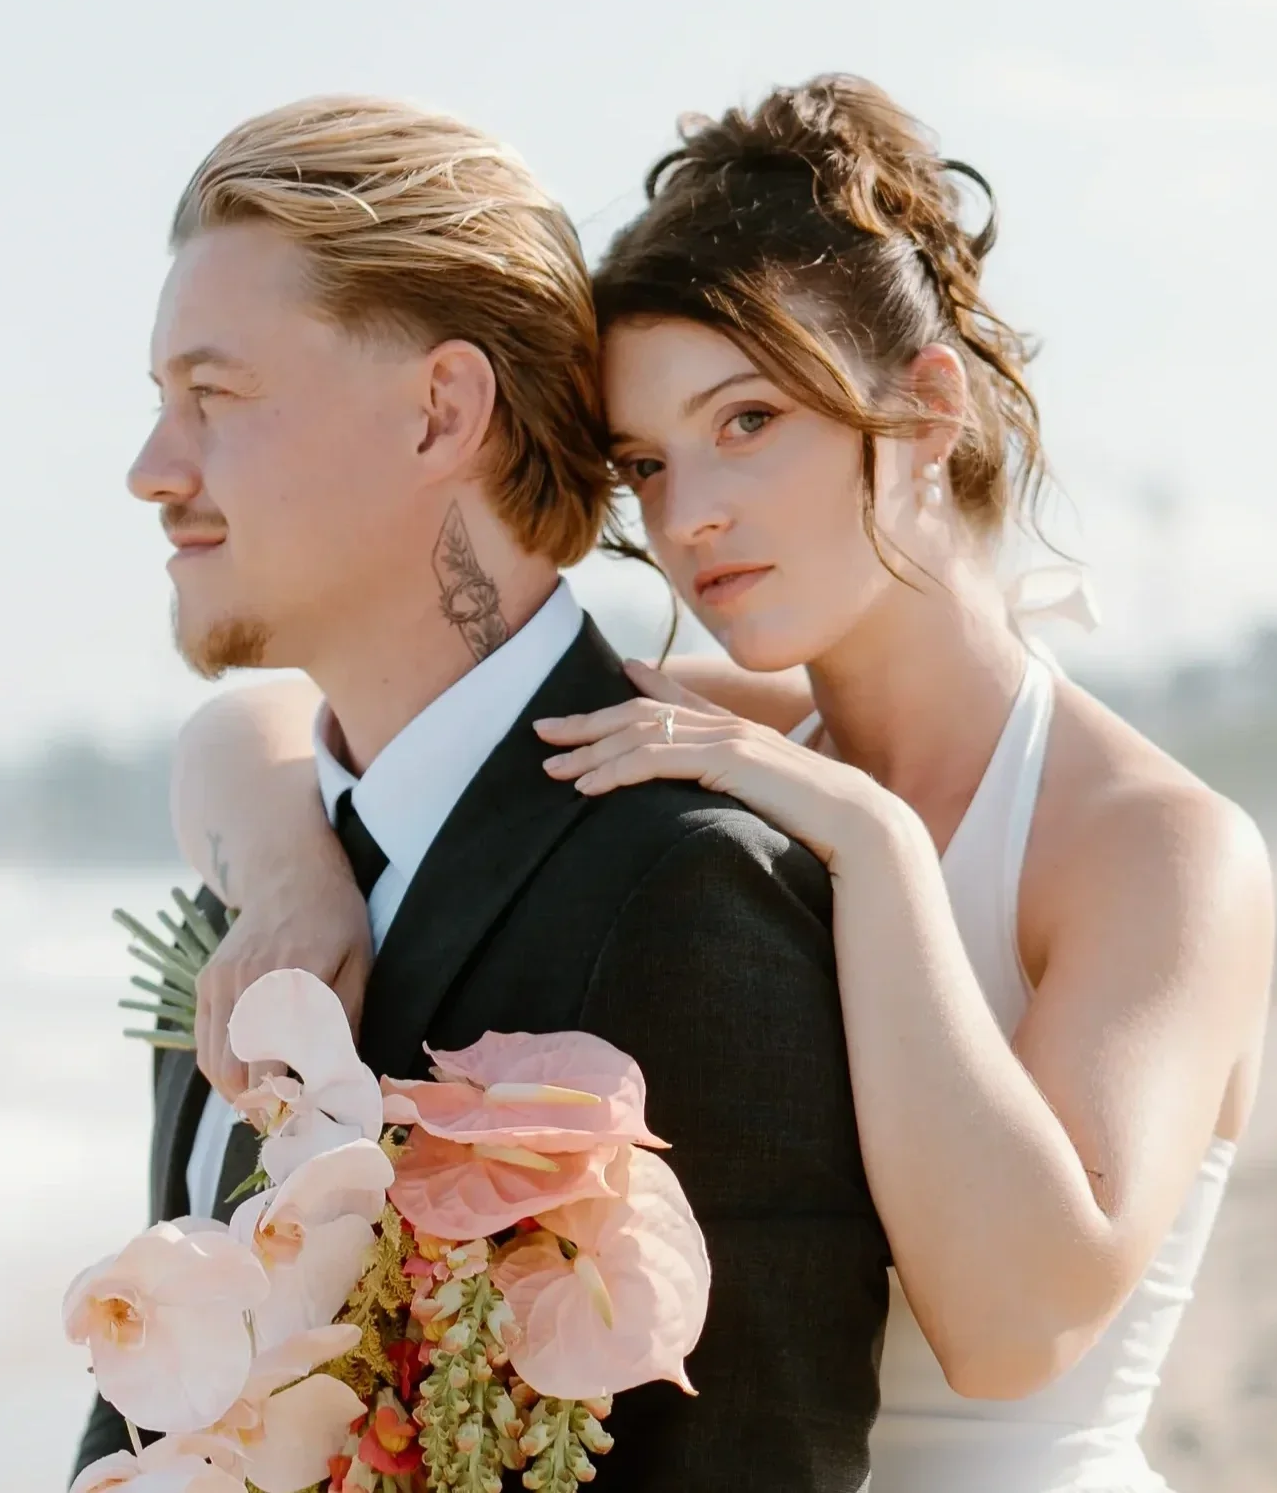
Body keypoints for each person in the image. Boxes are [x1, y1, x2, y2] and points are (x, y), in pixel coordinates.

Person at [173, 77, 1276, 1491]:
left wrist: (878, 848)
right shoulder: (727, 733)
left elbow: (1020, 1326)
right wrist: (293, 879)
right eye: (647, 461)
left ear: (925, 407)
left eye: (747, 420)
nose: (688, 515)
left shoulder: (1154, 846)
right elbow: (255, 721)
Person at [77, 96, 889, 1489]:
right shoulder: (252, 893)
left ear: (440, 411)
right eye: (160, 402)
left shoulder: (687, 891)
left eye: (213, 396)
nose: (154, 470)